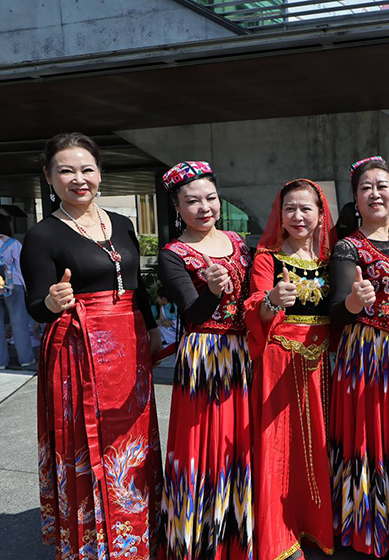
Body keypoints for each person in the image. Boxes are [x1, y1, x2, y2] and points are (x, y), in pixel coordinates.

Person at [22, 132, 163, 558]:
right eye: (66, 170)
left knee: (133, 441)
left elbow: (136, 286)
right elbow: (35, 306)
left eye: (87, 169)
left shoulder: (122, 225)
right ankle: (95, 541)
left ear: (100, 172)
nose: (78, 179)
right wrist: (51, 301)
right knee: (88, 445)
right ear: (49, 177)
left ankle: (140, 533)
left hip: (129, 347)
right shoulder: (42, 235)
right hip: (77, 353)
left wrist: (153, 327)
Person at [157, 161, 254, 559]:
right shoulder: (173, 254)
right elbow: (193, 313)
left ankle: (240, 532)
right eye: (191, 201)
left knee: (240, 442)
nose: (204, 207)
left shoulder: (240, 241)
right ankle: (199, 540)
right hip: (204, 356)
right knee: (201, 444)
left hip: (244, 354)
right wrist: (213, 291)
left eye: (210, 198)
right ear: (177, 207)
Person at [328, 156, 389, 560]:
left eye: (383, 186)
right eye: (366, 188)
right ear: (356, 198)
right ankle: (367, 525)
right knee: (368, 436)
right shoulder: (347, 246)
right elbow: (335, 311)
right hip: (365, 350)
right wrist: (353, 301)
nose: (375, 194)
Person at [244, 179, 337, 560]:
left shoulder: (330, 260)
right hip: (280, 362)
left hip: (323, 365)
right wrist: (272, 300)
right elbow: (255, 309)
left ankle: (317, 525)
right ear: (279, 216)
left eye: (306, 209)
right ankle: (280, 533)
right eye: (290, 209)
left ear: (320, 215)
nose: (298, 216)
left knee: (319, 446)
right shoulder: (267, 258)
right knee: (279, 449)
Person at [0, 214, 35, 368]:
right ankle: (25, 359)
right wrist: (26, 288)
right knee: (19, 322)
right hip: (13, 284)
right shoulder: (13, 243)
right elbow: (21, 267)